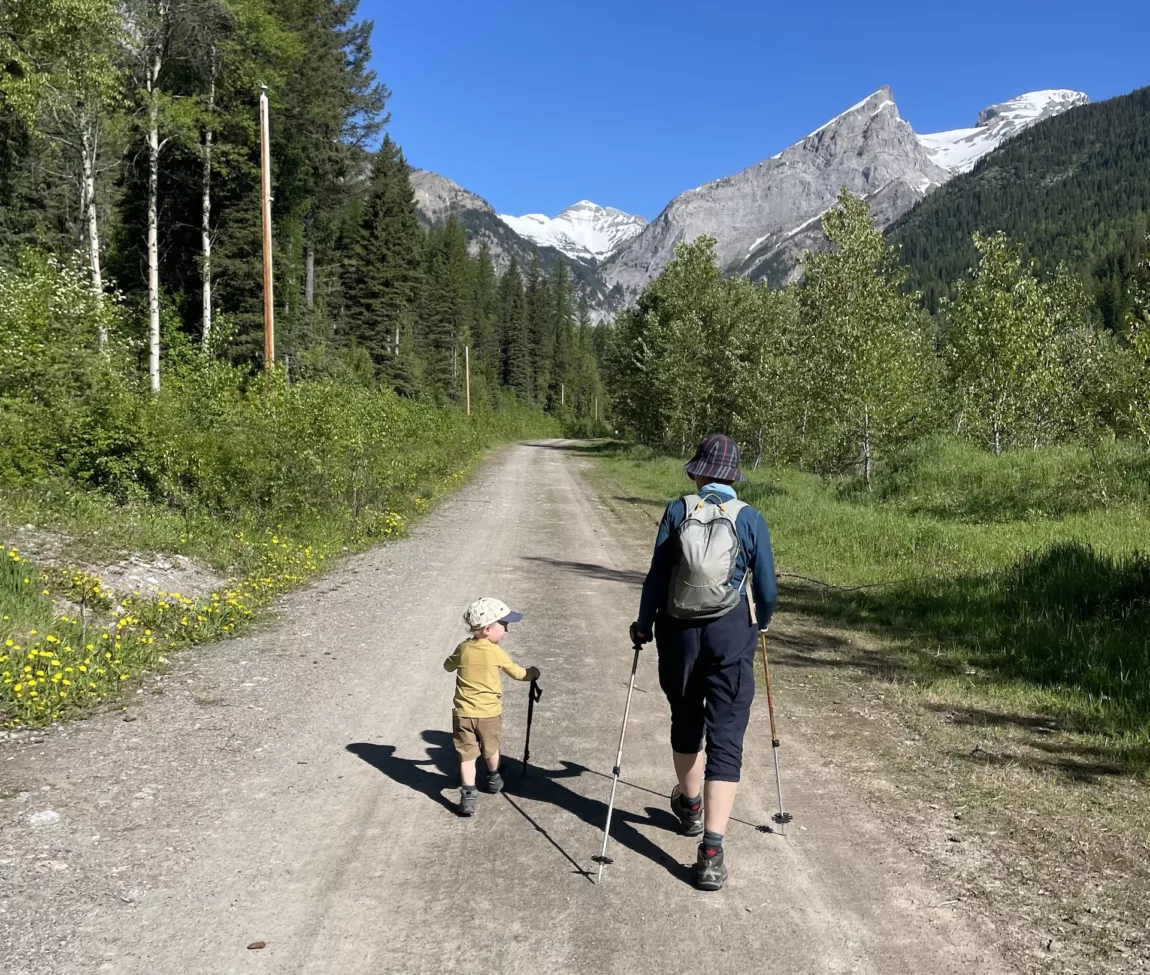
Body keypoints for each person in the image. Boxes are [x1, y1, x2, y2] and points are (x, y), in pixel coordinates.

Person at [630, 433, 778, 891]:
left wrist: (643, 625)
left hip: (678, 633)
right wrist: (764, 622)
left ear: (698, 472)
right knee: (726, 735)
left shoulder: (679, 511)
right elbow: (767, 589)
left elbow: (658, 575)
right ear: (734, 478)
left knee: (685, 718)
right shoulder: (750, 518)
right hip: (731, 634)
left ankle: (690, 806)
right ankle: (711, 853)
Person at [444, 597, 540, 816]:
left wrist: (457, 660)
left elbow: (447, 665)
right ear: (487, 629)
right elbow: (518, 673)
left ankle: (468, 795)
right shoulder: (495, 652)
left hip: (463, 714)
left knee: (466, 754)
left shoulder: (463, 648)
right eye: (504, 626)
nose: (506, 631)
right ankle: (494, 778)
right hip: (489, 714)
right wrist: (534, 672)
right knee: (491, 748)